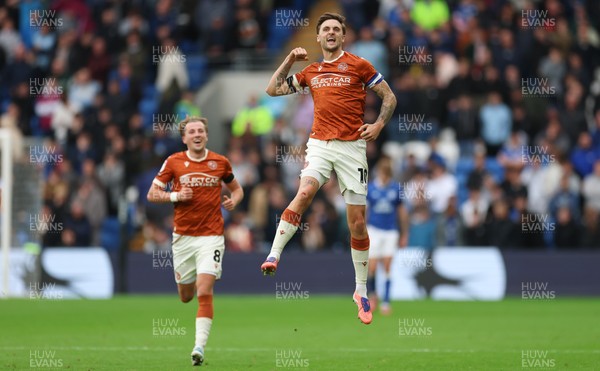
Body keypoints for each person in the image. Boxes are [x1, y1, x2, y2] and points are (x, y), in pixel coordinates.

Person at [260, 12, 397, 325]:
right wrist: (289, 59)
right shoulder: (311, 71)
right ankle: (274, 254)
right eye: (326, 30)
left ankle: (360, 290)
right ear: (319, 38)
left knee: (358, 223)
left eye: (337, 29)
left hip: (352, 148)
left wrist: (377, 125)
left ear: (343, 36)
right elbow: (272, 89)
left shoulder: (360, 65)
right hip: (320, 144)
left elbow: (389, 97)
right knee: (305, 192)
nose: (332, 33)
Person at [147, 116, 243, 366]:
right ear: (184, 138)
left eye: (201, 130)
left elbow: (237, 188)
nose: (197, 134)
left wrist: (235, 201)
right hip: (183, 238)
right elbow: (152, 193)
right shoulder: (174, 162)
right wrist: (176, 195)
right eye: (192, 131)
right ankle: (196, 334)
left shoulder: (220, 162)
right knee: (186, 296)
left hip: (211, 237)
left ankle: (199, 346)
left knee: (204, 291)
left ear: (207, 135)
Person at [366, 157, 408, 315]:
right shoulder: (370, 189)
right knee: (372, 266)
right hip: (374, 230)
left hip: (391, 231)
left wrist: (405, 233)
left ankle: (387, 301)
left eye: (387, 174)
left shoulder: (396, 189)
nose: (384, 177)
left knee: (388, 266)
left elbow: (402, 212)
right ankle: (373, 295)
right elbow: (365, 211)